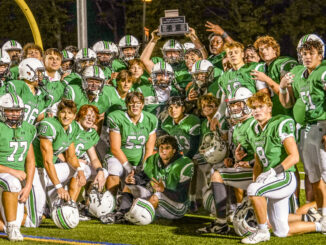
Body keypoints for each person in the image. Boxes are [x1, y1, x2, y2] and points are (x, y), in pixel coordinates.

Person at [242, 92, 326, 244]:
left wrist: (274, 172)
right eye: (253, 108)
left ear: (269, 107)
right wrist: (257, 182)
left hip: (284, 177)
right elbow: (258, 162)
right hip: (270, 179)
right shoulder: (253, 128)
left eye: (260, 107)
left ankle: (262, 232)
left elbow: (294, 157)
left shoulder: (280, 123)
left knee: (254, 189)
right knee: (281, 231)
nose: (257, 110)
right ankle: (320, 225)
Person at [279, 39, 326, 222]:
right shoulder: (298, 73)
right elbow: (288, 103)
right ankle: (323, 213)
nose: (307, 57)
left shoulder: (323, 72)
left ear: (320, 56)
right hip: (307, 129)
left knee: (324, 173)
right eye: (304, 54)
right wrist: (283, 88)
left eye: (311, 53)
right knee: (313, 174)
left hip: (322, 125)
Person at [197, 88, 254, 234]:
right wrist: (233, 158)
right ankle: (221, 222)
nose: (234, 108)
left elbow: (265, 153)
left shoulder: (254, 124)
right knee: (217, 175)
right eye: (232, 105)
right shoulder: (238, 125)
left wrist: (249, 162)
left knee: (280, 226)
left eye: (238, 105)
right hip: (248, 169)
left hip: (262, 172)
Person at [101, 135, 194, 224]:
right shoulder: (153, 160)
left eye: (167, 148)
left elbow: (182, 197)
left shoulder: (184, 164)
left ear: (174, 150)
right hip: (155, 201)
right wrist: (133, 179)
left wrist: (164, 190)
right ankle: (120, 213)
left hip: (177, 206)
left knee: (158, 195)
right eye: (161, 147)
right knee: (129, 186)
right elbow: (142, 177)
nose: (163, 151)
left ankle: (131, 216)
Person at [105, 92, 157, 196]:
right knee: (114, 169)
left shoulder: (151, 119)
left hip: (138, 162)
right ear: (126, 104)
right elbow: (115, 148)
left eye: (138, 103)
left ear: (142, 104)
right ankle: (111, 202)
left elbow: (149, 150)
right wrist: (129, 168)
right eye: (131, 103)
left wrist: (143, 168)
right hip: (118, 159)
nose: (135, 106)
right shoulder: (117, 117)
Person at [0, 93, 36, 241]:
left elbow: (31, 160)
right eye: (10, 110)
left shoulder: (28, 128)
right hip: (5, 174)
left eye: (18, 110)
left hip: (17, 178)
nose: (15, 114)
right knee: (12, 182)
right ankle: (12, 229)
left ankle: (8, 225)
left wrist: (28, 186)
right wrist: (11, 171)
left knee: (28, 221)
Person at [252, 35, 297, 116]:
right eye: (261, 49)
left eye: (267, 48)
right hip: (275, 112)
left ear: (275, 50)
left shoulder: (284, 62)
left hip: (288, 112)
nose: (264, 52)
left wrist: (266, 79)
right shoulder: (263, 67)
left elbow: (287, 94)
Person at [10, 58, 52, 124]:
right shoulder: (17, 86)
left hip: (28, 132)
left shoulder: (40, 94)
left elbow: (38, 118)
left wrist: (47, 117)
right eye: (39, 72)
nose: (41, 75)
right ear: (28, 72)